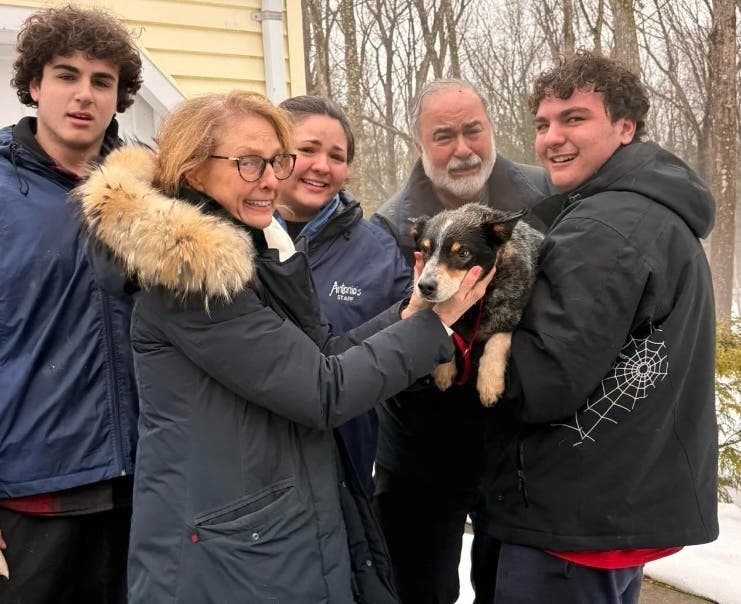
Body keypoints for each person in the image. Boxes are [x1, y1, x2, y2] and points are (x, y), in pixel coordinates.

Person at [75, 90, 493, 603]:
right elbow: (324, 392)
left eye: (277, 161)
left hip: (265, 523)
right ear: (192, 170)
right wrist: (437, 325)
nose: (272, 179)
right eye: (250, 163)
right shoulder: (191, 277)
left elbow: (323, 355)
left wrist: (411, 314)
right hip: (227, 545)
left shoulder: (257, 250)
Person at [478, 49, 719, 604]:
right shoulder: (644, 210)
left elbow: (537, 384)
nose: (552, 138)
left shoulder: (605, 227)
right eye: (542, 124)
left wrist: (460, 339)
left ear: (625, 127)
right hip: (609, 508)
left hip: (569, 521)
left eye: (574, 118)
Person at [0, 6, 143, 602]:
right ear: (34, 85)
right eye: (66, 75)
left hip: (141, 500)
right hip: (22, 505)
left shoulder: (146, 196)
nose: (84, 95)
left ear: (119, 96)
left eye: (102, 81)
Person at [371, 78, 551, 604]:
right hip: (420, 453)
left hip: (518, 450)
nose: (463, 148)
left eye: (473, 130)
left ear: (491, 129)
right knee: (417, 589)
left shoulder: (547, 199)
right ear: (419, 145)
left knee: (510, 592)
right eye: (443, 135)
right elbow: (381, 341)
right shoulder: (387, 227)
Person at [277, 95, 411, 496]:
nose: (322, 166)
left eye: (337, 156)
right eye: (307, 150)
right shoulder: (232, 240)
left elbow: (409, 347)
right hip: (251, 474)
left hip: (342, 471)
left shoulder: (378, 254)